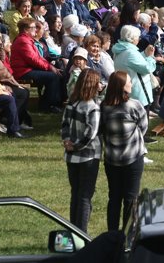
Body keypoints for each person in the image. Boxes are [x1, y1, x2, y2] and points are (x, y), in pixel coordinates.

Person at [101, 71, 147, 231]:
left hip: (111, 159)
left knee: (114, 197)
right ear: (122, 86)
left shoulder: (103, 107)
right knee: (131, 198)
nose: (132, 84)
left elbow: (101, 130)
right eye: (129, 81)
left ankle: (112, 234)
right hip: (133, 158)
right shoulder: (135, 105)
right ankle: (127, 236)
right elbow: (143, 127)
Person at [61, 69, 102, 232]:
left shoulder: (72, 102)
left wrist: (67, 142)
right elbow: (91, 133)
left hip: (71, 156)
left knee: (75, 194)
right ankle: (82, 233)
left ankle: (73, 230)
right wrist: (76, 145)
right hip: (88, 157)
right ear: (92, 85)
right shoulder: (93, 107)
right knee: (85, 196)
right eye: (98, 82)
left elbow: (64, 124)